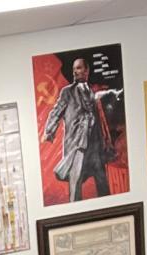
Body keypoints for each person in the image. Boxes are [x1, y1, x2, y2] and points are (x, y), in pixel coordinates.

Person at [42, 57, 117, 202]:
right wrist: (49, 131)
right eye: (74, 69)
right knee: (75, 182)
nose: (75, 72)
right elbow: (56, 111)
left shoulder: (93, 92)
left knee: (102, 180)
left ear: (87, 71)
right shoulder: (67, 92)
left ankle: (108, 206)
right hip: (77, 145)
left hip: (95, 145)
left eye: (79, 68)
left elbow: (100, 116)